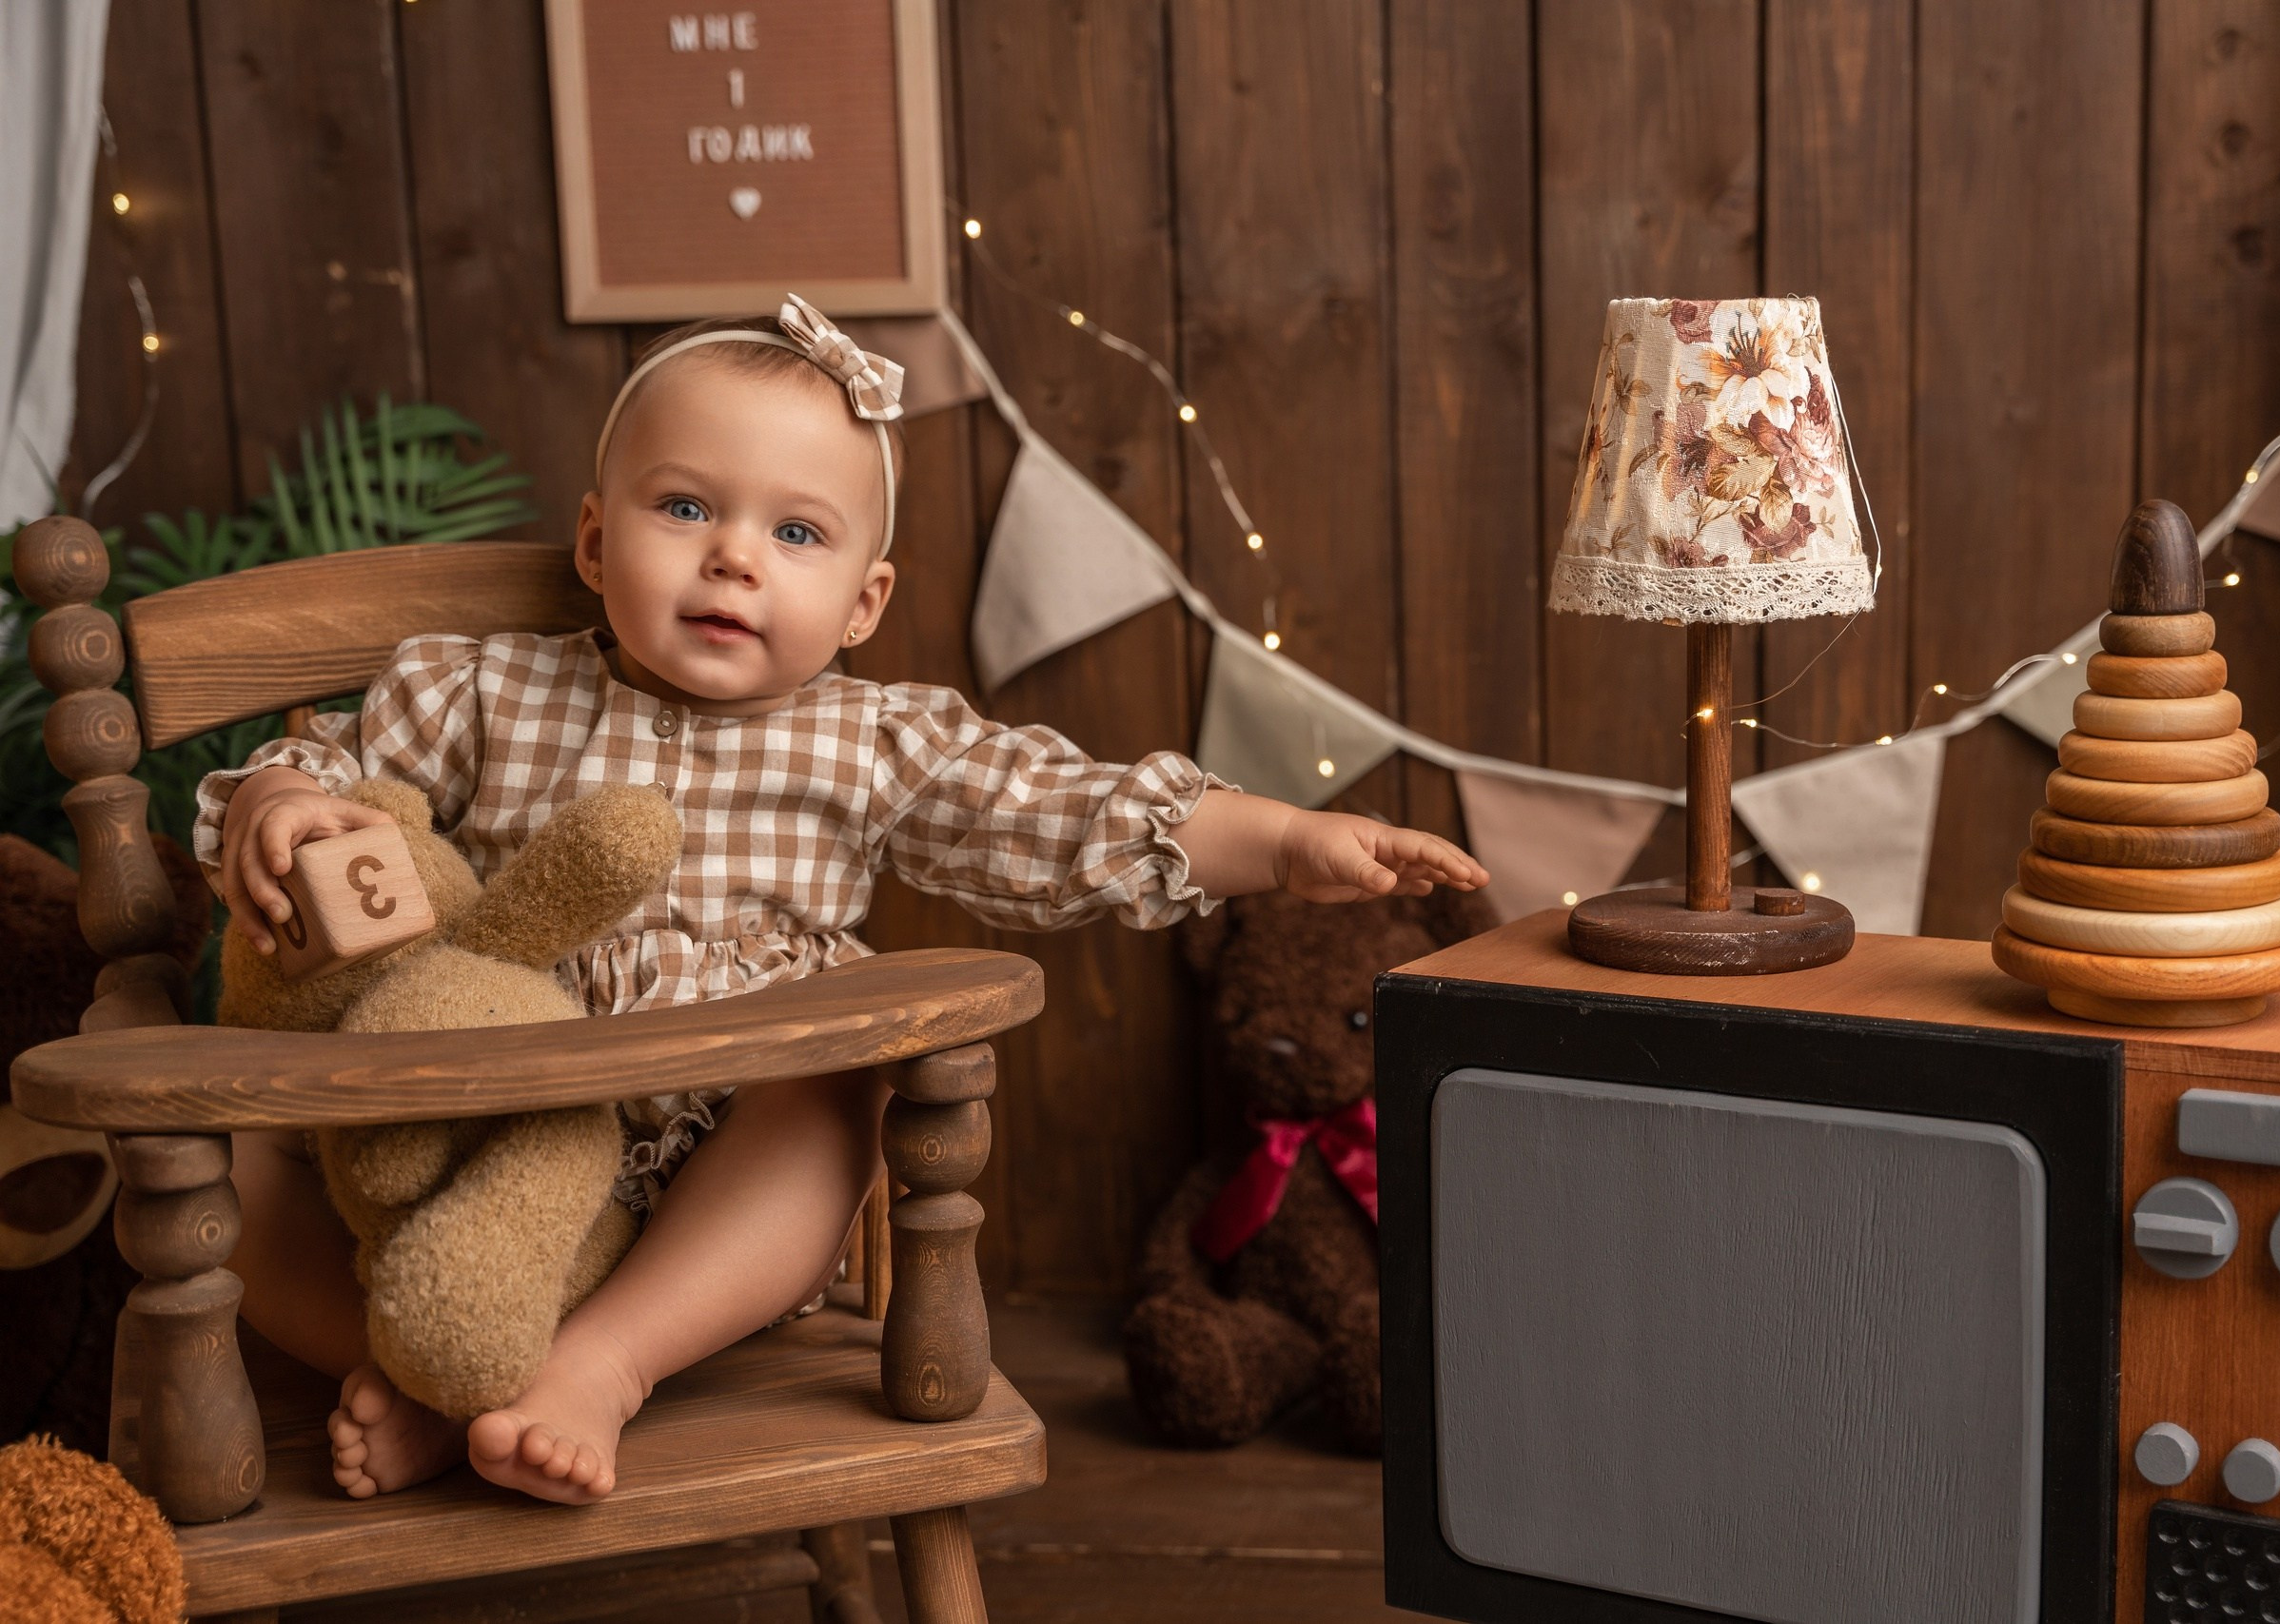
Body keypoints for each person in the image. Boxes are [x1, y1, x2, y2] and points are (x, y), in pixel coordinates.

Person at [194, 298, 1485, 1506]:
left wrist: (1285, 840)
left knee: (837, 1095)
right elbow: (343, 788)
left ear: (864, 602)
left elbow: (1064, 813)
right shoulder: (480, 690)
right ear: (595, 541)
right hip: (483, 1127)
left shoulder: (873, 743)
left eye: (796, 534)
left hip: (712, 1161)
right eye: (685, 507)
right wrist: (282, 801)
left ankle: (602, 1361)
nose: (733, 557)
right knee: (235, 1171)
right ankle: (430, 1364)